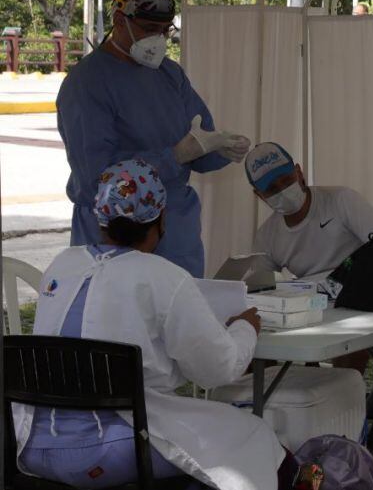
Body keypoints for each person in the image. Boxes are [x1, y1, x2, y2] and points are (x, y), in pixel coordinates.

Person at [13, 159, 294, 490]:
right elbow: (218, 369)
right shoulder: (163, 276)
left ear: (100, 217)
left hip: (28, 442)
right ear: (161, 218)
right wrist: (244, 328)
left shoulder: (64, 263)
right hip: (108, 450)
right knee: (254, 436)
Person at [57, 0, 251, 278]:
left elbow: (198, 139)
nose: (158, 39)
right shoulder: (87, 84)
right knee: (117, 324)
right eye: (149, 29)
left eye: (165, 30)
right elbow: (99, 181)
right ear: (120, 20)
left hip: (175, 235)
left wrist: (217, 148)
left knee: (181, 321)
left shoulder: (169, 74)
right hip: (115, 236)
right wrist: (173, 157)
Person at [245, 142, 373, 281]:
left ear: (298, 172)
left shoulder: (342, 200)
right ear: (260, 195)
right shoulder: (266, 238)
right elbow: (261, 287)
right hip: (313, 300)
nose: (283, 191)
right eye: (272, 189)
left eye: (287, 180)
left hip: (365, 290)